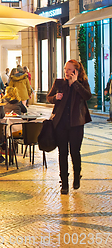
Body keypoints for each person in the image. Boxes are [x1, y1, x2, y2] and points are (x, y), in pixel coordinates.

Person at [47, 60, 92, 195]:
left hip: (76, 124)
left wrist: (75, 83)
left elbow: (87, 96)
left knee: (75, 152)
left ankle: (77, 176)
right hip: (60, 123)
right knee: (62, 153)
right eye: (65, 69)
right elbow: (49, 97)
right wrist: (55, 97)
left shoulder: (82, 84)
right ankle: (64, 183)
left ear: (76, 71)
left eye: (69, 70)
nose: (66, 72)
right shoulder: (59, 83)